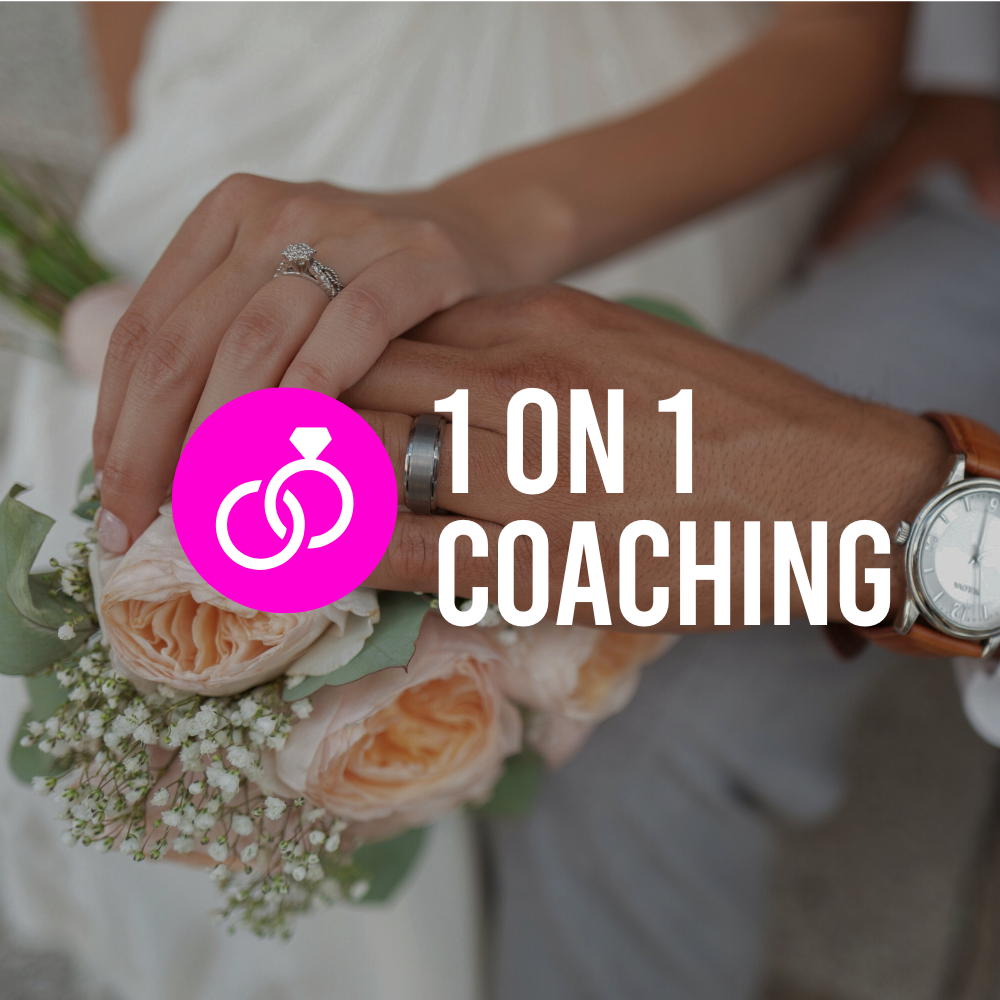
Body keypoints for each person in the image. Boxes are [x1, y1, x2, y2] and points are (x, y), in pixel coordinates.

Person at [0, 3, 914, 1000]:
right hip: (254, 85)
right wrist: (167, 140)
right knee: (127, 435)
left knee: (477, 517)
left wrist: (491, 218)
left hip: (631, 132)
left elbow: (844, 41)